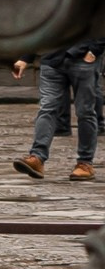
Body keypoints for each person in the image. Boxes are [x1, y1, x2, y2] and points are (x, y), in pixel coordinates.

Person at [12, 37, 103, 182]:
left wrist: (94, 51)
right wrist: (26, 57)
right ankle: (37, 157)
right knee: (47, 107)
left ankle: (85, 163)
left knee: (85, 112)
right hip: (52, 59)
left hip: (83, 58)